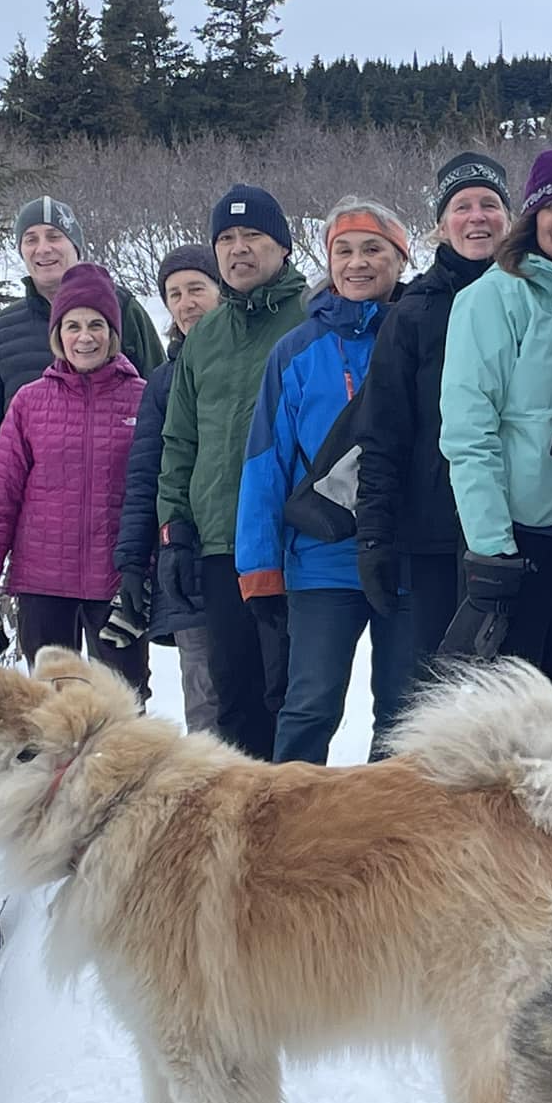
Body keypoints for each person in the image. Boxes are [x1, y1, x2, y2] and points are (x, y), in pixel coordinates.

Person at [235, 198, 416, 763]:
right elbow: (264, 463)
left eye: (373, 249)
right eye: (344, 251)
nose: (357, 263)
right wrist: (259, 568)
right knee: (310, 706)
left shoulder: (424, 335)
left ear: (400, 259)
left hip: (407, 557)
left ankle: (391, 818)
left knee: (404, 715)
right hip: (321, 559)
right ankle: (288, 815)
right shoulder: (297, 351)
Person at [438, 148, 552, 698]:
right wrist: (492, 549)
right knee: (510, 716)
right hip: (521, 538)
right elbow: (469, 431)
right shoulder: (493, 296)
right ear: (532, 216)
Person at [155, 185, 310, 759]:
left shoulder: (311, 319)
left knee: (295, 700)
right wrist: (175, 532)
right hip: (221, 544)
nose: (238, 248)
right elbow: (179, 441)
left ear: (284, 246)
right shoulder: (205, 338)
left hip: (297, 543)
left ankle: (299, 811)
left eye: (253, 236)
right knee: (235, 700)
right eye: (226, 238)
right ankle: (251, 816)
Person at [351, 153, 510, 667]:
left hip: (525, 529)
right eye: (462, 206)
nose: (477, 217)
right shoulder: (414, 313)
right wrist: (374, 536)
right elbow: (382, 434)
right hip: (436, 536)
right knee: (443, 690)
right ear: (442, 225)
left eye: (489, 204)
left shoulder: (534, 297)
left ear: (509, 218)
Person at [0, 264, 148, 693]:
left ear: (113, 332)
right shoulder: (29, 402)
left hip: (115, 584)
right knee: (50, 708)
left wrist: (145, 576)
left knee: (123, 710)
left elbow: (153, 497)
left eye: (96, 325)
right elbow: (0, 501)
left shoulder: (144, 398)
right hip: (42, 585)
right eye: (73, 325)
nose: (85, 337)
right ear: (57, 333)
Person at [0, 196, 164, 551]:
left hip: (118, 526)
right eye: (31, 239)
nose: (43, 249)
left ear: (75, 245)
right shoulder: (6, 329)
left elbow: (162, 405)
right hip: (35, 532)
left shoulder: (123, 311)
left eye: (54, 236)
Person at [100, 245, 223, 732]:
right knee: (203, 693)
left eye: (196, 289)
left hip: (251, 553)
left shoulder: (257, 360)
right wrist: (132, 563)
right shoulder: (164, 382)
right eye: (174, 294)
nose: (186, 303)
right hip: (185, 557)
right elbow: (144, 476)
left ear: (220, 291)